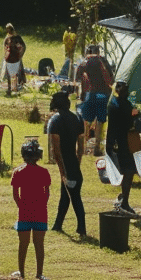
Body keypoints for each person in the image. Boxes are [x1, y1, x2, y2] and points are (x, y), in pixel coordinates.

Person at [11, 139, 52, 280]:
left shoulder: (18, 172)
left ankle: (21, 273)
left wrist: (22, 206)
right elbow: (47, 192)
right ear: (39, 155)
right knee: (39, 244)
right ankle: (39, 273)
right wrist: (41, 204)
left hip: (24, 213)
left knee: (23, 244)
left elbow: (16, 194)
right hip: (41, 213)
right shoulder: (44, 172)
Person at [47, 91, 87, 237]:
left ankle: (82, 228)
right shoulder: (77, 118)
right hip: (73, 163)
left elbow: (56, 151)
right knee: (66, 195)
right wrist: (77, 162)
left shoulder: (54, 121)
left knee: (74, 197)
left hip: (66, 164)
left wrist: (63, 171)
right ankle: (58, 225)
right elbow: (81, 147)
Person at [106, 80, 141, 217]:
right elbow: (128, 123)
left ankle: (123, 198)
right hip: (124, 142)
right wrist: (136, 116)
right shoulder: (124, 105)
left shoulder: (113, 103)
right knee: (128, 171)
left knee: (124, 170)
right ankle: (124, 202)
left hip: (115, 140)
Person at [75, 44, 115, 153]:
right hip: (104, 94)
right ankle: (97, 146)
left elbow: (78, 76)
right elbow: (111, 78)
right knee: (101, 120)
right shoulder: (103, 60)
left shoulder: (86, 61)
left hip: (91, 94)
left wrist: (82, 92)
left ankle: (83, 146)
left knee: (86, 120)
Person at [2, 23, 27, 95]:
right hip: (10, 57)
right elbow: (5, 47)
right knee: (9, 73)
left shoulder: (17, 38)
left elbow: (23, 46)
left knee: (17, 73)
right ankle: (10, 88)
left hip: (16, 56)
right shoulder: (7, 38)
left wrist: (21, 54)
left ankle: (17, 86)